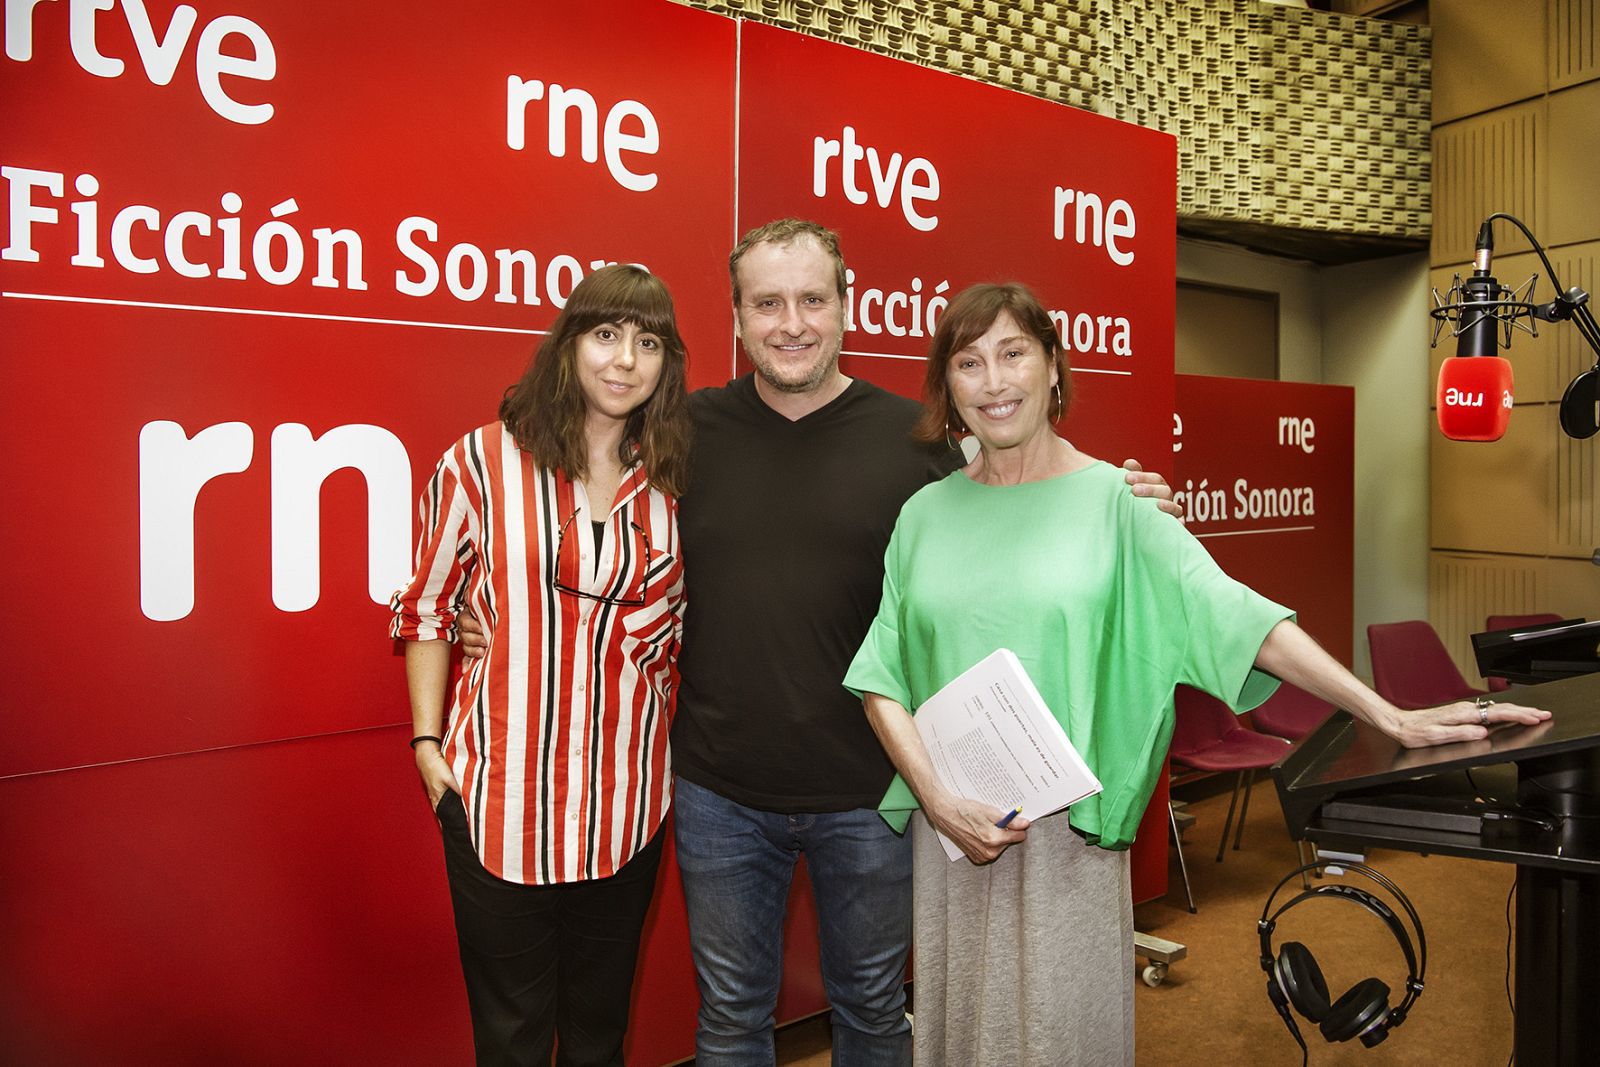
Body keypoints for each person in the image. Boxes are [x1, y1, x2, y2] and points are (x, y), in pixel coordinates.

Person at [460, 220, 1178, 1066]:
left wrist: (1115, 495)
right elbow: (584, 517)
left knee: (873, 1013)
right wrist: (492, 611)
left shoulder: (918, 442)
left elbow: (1018, 502)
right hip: (718, 791)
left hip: (870, 792)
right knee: (730, 1020)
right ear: (736, 319)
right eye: (767, 303)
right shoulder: (680, 435)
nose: (791, 322)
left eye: (811, 299)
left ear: (846, 305)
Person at [842, 281, 1553, 1066]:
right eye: (968, 363)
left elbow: (1244, 621)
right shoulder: (925, 516)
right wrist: (937, 800)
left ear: (1053, 366)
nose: (994, 381)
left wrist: (1388, 713)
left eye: (1014, 353)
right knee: (955, 1032)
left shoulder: (1121, 504)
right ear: (947, 386)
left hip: (1066, 845)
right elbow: (883, 676)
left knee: (1056, 1038)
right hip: (952, 832)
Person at [390, 263, 693, 1067]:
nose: (625, 359)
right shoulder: (479, 463)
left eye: (648, 341)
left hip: (625, 809)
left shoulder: (673, 483)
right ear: (567, 346)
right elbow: (426, 607)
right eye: (605, 334)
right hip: (499, 804)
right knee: (512, 1040)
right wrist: (428, 744)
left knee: (599, 1036)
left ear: (667, 363)